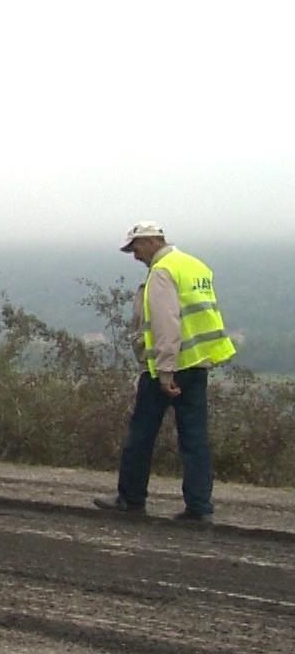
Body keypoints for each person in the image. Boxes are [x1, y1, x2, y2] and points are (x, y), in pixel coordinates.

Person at [93, 222, 236, 522]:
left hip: (168, 368)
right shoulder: (195, 266)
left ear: (151, 241)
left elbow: (166, 323)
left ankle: (130, 498)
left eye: (135, 248)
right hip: (197, 363)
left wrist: (166, 371)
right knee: (195, 438)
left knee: (141, 434)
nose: (134, 256)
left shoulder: (162, 271)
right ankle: (199, 506)